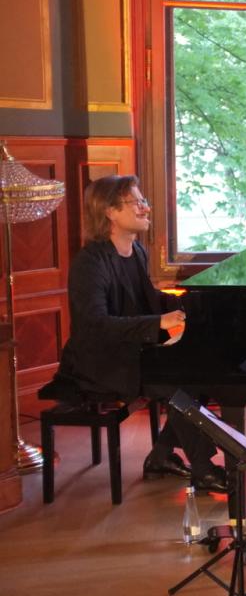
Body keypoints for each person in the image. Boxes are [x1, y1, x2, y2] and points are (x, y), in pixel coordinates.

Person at [51, 175, 226, 494]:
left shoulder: (138, 252)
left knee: (197, 374)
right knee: (174, 383)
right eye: (137, 202)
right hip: (97, 363)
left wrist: (194, 304)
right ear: (110, 211)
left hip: (131, 351)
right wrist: (158, 321)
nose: (146, 208)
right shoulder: (90, 263)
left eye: (144, 201)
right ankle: (203, 469)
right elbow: (95, 325)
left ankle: (161, 456)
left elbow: (145, 300)